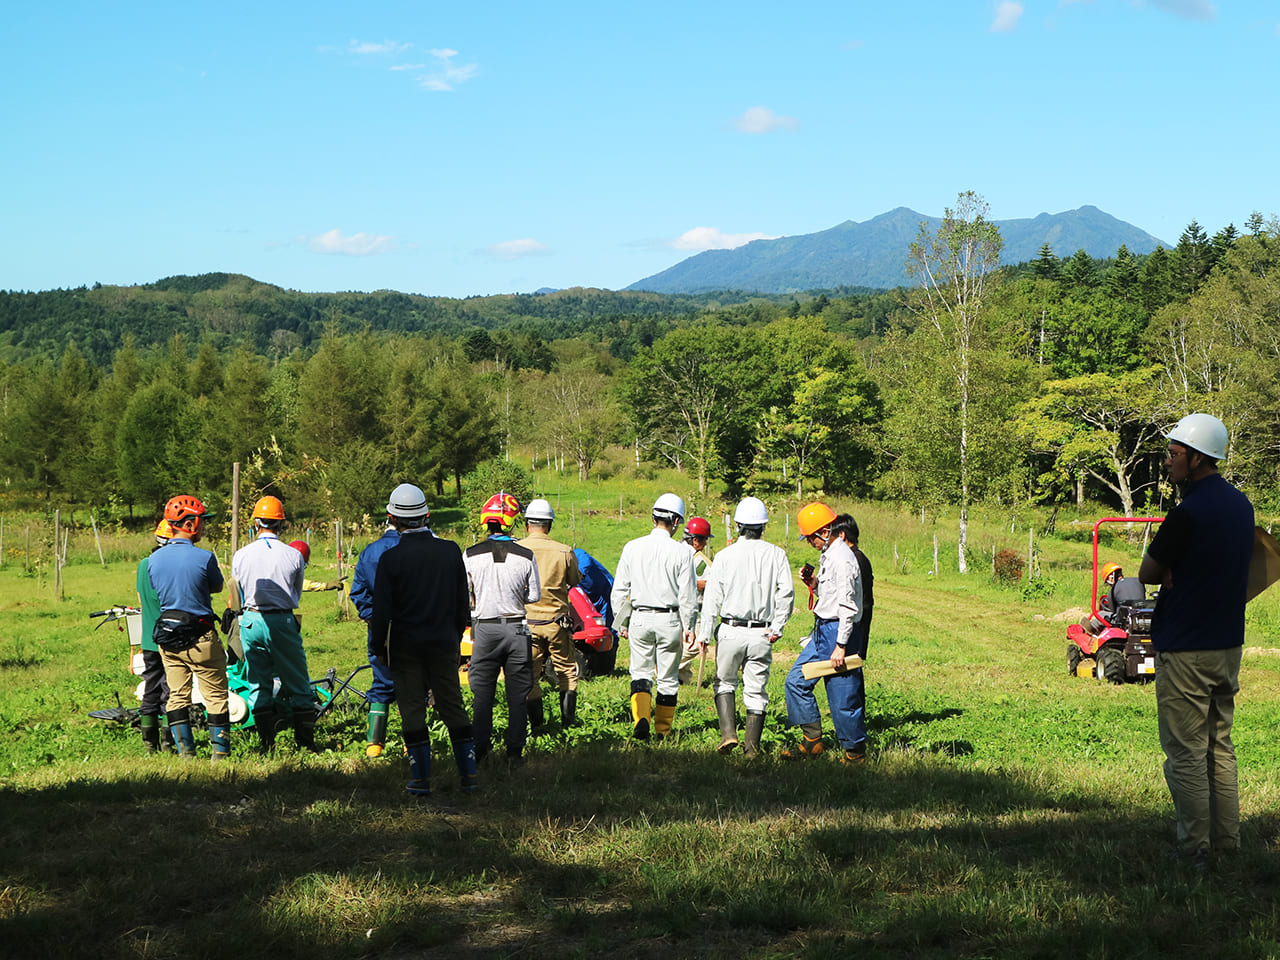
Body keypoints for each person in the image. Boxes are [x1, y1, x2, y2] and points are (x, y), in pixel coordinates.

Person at [1138, 413, 1253, 865]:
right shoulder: (1241, 506)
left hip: (1187, 645)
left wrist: (1170, 573)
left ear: (1197, 458)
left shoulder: (1186, 514)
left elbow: (1148, 572)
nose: (1168, 462)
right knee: (1219, 746)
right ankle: (1227, 843)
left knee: (1186, 752)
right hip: (1228, 643)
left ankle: (1194, 850)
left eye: (1174, 454)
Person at [369, 483, 476, 796]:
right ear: (428, 515)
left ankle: (420, 780)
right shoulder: (450, 551)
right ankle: (469, 777)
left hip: (405, 647)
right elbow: (462, 603)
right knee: (452, 704)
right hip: (444, 642)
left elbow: (381, 613)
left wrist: (380, 649)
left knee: (413, 708)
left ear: (393, 518)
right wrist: (455, 637)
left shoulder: (391, 559)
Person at [696, 497, 793, 756]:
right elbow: (786, 594)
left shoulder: (725, 556)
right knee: (756, 689)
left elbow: (712, 599)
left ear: (737, 524)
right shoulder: (777, 555)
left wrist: (704, 633)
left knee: (724, 682)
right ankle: (752, 749)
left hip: (730, 630)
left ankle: (728, 734)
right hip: (762, 632)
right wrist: (777, 627)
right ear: (763, 525)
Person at [231, 496, 318, 753]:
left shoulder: (241, 555)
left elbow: (239, 588)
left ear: (256, 523)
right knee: (298, 680)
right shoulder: (293, 555)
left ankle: (266, 743)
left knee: (258, 681)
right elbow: (297, 591)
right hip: (281, 618)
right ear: (282, 524)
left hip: (250, 619)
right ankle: (305, 743)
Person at [783, 501, 866, 764]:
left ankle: (855, 753)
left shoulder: (843, 560)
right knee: (796, 682)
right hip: (822, 631)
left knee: (842, 695)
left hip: (838, 633)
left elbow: (847, 606)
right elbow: (831, 596)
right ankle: (812, 740)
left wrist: (841, 645)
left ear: (824, 531)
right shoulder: (829, 554)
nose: (810, 543)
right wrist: (814, 584)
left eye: (810, 538)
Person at [147, 494, 229, 761]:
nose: (204, 527)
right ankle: (220, 754)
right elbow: (216, 586)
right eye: (202, 522)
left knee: (177, 695)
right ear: (190, 524)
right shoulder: (204, 557)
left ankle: (187, 754)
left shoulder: (154, 560)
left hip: (168, 639)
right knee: (215, 695)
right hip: (201, 637)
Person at [612, 493, 697, 740]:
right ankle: (663, 730)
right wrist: (689, 626)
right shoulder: (682, 553)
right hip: (669, 619)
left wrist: (621, 622)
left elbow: (619, 591)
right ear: (676, 521)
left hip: (639, 617)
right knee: (668, 678)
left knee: (640, 673)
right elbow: (688, 596)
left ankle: (641, 720)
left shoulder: (632, 547)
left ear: (654, 517)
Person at [463, 492, 541, 764]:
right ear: (511, 522)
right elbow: (534, 596)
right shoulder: (526, 555)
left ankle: (480, 751)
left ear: (487, 522)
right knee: (517, 695)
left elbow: (464, 591)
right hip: (517, 629)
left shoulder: (470, 554)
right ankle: (515, 753)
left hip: (484, 629)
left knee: (482, 695)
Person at [519, 498, 582, 727]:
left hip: (527, 623)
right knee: (566, 671)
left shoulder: (518, 550)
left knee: (530, 675)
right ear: (550, 525)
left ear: (527, 524)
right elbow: (574, 580)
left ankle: (537, 726)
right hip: (557, 623)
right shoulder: (564, 551)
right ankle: (568, 723)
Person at [348, 521, 401, 758]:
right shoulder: (414, 548)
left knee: (381, 679)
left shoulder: (369, 551)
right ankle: (414, 744)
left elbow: (358, 591)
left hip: (380, 626)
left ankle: (374, 746)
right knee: (415, 682)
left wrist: (373, 617)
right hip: (413, 626)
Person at [134, 519, 176, 754]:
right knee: (172, 690)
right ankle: (170, 743)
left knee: (151, 687)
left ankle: (150, 745)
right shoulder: (170, 567)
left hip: (149, 639)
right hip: (171, 639)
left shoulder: (143, 565)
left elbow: (141, 600)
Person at [833, 514, 874, 661]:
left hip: (855, 626)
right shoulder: (858, 557)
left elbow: (854, 600)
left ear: (842, 535)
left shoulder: (851, 560)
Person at [677, 517, 714, 685]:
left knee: (683, 642)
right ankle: (666, 666)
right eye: (705, 539)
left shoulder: (674, 550)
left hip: (674, 607)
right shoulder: (694, 558)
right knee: (695, 643)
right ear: (696, 540)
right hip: (689, 607)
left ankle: (681, 681)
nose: (705, 544)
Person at [1081, 562, 1124, 634]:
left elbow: (1112, 609)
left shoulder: (1114, 590)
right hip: (1138, 617)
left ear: (1110, 578)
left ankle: (1093, 628)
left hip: (1122, 619)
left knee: (1100, 614)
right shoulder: (1134, 583)